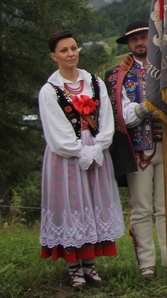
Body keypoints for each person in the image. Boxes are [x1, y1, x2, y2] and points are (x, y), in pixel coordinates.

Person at [37, 30, 125, 289]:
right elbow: (55, 129)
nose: (71, 54)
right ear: (54, 56)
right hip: (67, 157)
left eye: (73, 48)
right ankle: (74, 268)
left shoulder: (94, 82)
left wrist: (99, 145)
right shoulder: (50, 90)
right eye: (64, 50)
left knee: (94, 205)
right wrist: (79, 150)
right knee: (72, 205)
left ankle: (90, 266)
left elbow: (107, 117)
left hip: (96, 152)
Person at [104, 20, 167, 278]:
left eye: (143, 37)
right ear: (128, 44)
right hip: (138, 150)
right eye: (134, 39)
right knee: (140, 208)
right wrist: (147, 107)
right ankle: (146, 264)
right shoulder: (118, 75)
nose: (139, 42)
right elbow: (123, 116)